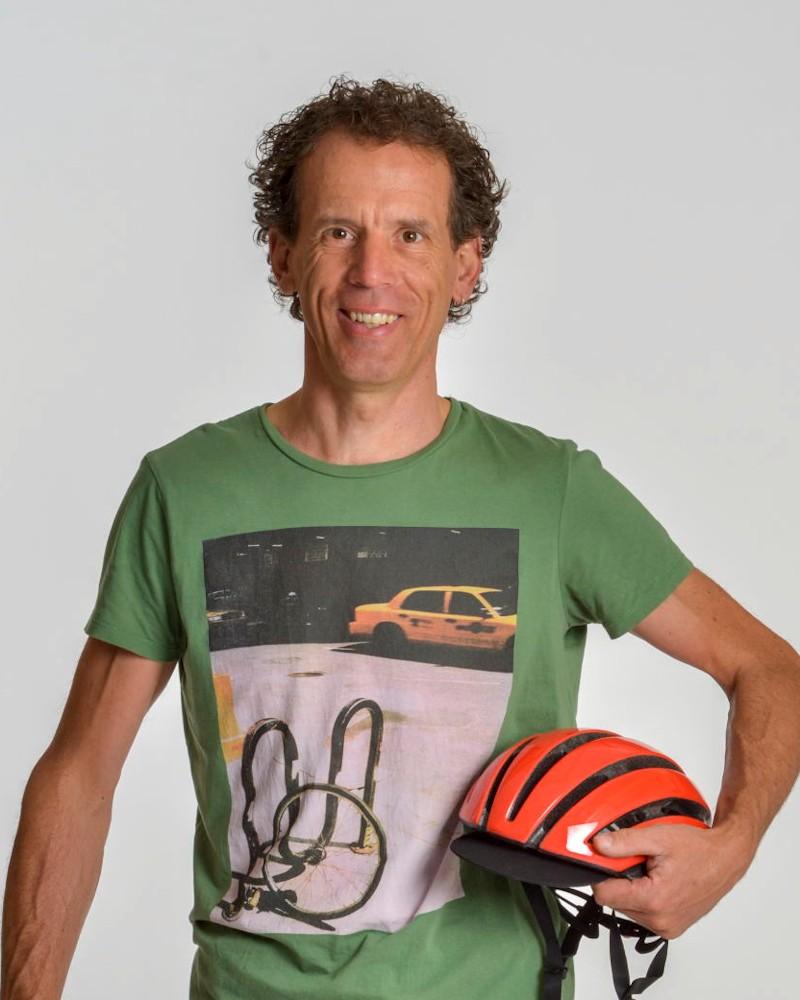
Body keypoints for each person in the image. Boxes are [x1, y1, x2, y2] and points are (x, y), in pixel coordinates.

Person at [2, 74, 798, 1000]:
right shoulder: (184, 490)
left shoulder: (551, 491)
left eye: (410, 234)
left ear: (465, 266)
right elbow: (79, 773)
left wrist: (730, 848)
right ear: (282, 253)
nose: (371, 272)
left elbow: (769, 669)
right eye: (339, 231)